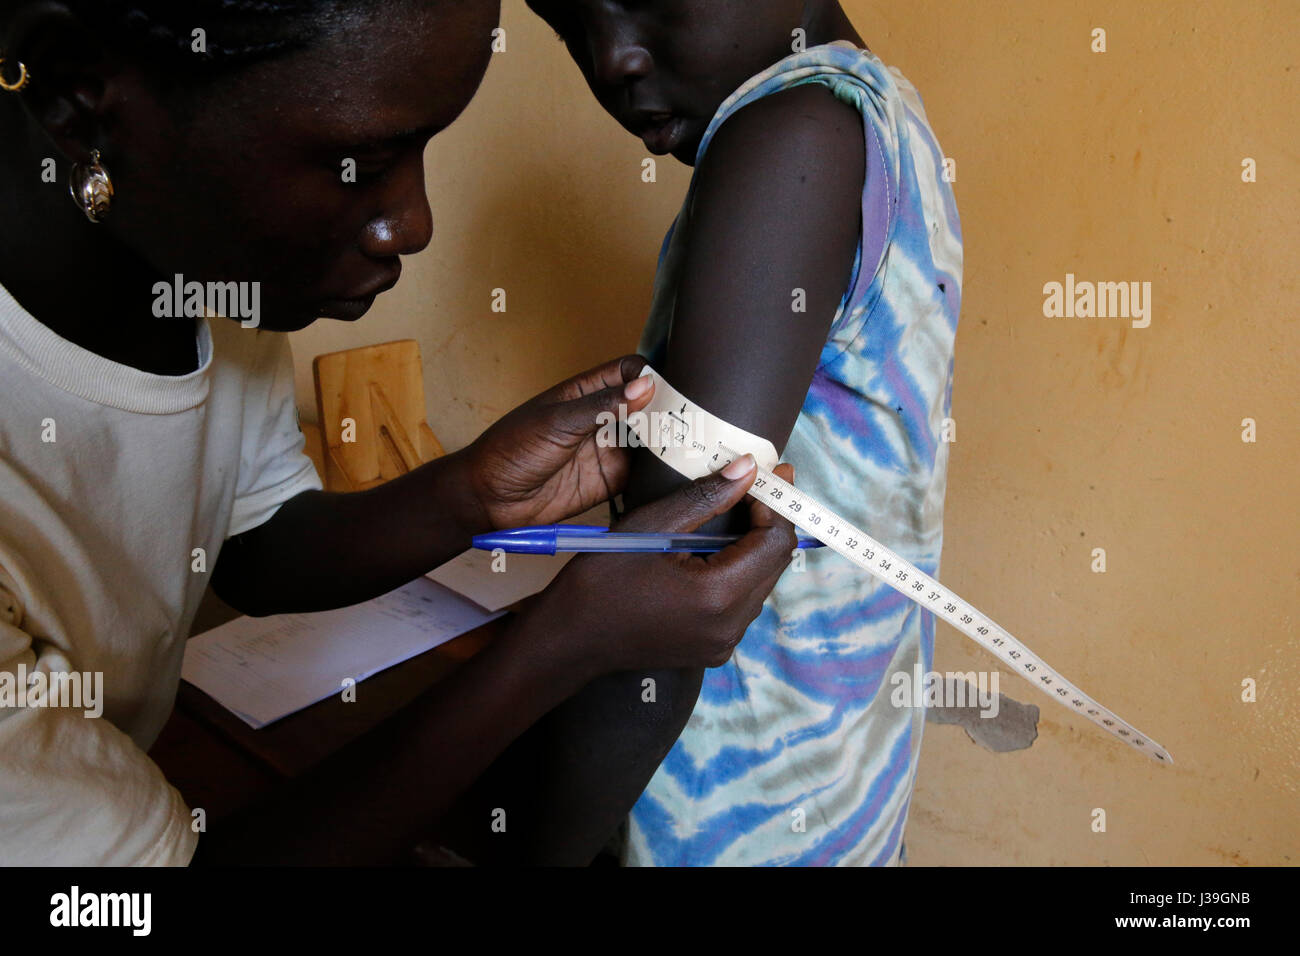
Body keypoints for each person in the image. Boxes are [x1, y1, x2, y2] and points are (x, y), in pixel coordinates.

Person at [0, 0, 798, 865]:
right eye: (362, 163)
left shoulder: (201, 268)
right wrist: (560, 647)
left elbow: (254, 541)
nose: (412, 224)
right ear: (81, 98)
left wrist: (470, 493)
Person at [526, 0, 963, 865]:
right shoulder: (881, 116)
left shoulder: (790, 134)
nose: (610, 59)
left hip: (720, 807)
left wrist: (525, 853)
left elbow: (665, 593)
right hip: (832, 780)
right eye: (570, 24)